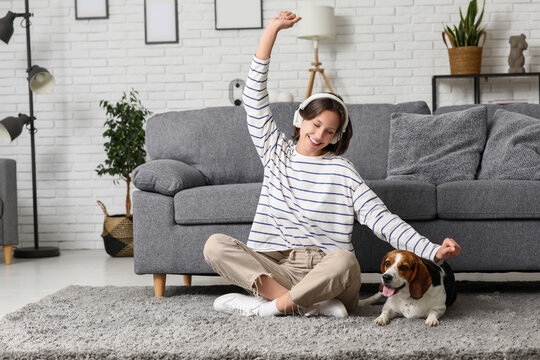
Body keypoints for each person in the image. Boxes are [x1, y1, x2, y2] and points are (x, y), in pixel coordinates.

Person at [203, 11, 462, 318]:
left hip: (328, 274)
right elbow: (254, 99)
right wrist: (271, 30)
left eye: (329, 131)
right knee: (215, 245)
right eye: (314, 125)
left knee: (344, 260)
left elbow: (382, 220)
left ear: (337, 135)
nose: (319, 135)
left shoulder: (342, 170)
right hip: (276, 267)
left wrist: (431, 250)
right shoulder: (275, 153)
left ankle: (267, 308)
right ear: (301, 119)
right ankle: (295, 303)